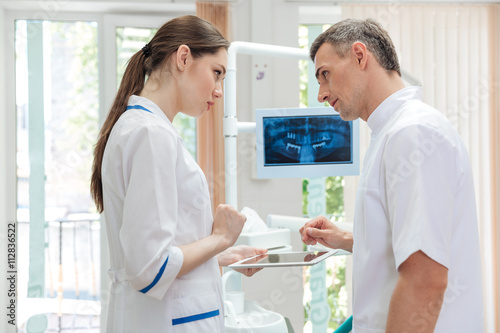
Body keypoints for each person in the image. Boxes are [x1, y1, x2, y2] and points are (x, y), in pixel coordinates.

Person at [299, 18, 484, 332]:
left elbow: (425, 280)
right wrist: (344, 239)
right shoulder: (391, 133)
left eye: (325, 75)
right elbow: (411, 244)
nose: (321, 93)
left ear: (360, 56)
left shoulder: (412, 133)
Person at [90, 15, 266, 332]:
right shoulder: (150, 135)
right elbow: (149, 269)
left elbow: (157, 254)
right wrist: (220, 238)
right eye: (217, 73)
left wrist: (221, 256)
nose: (219, 91)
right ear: (183, 57)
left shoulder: (147, 129)